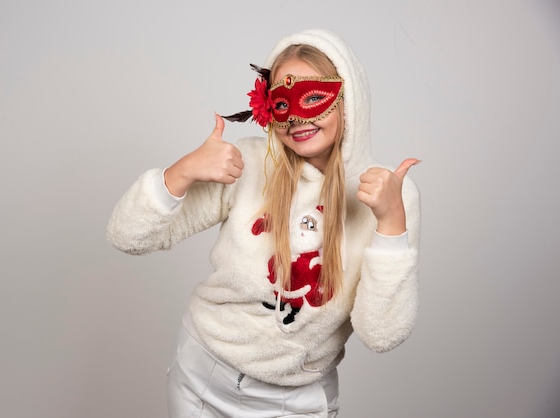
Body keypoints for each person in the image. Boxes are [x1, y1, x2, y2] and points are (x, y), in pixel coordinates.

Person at [107, 28, 421, 418]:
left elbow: (381, 334)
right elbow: (126, 235)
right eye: (282, 103)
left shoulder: (393, 194)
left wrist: (391, 225)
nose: (296, 119)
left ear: (348, 100)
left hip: (296, 401)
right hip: (201, 378)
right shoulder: (249, 163)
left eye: (312, 98)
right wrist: (180, 173)